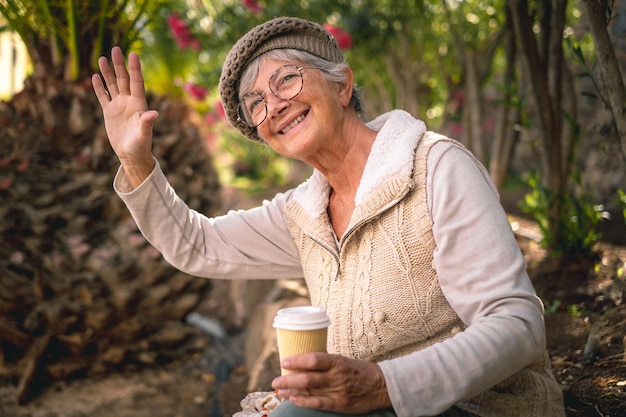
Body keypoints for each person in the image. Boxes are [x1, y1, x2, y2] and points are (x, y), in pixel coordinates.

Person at [92, 16, 566, 417]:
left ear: (342, 85)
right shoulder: (304, 214)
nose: (273, 105)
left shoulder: (437, 169)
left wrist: (384, 385)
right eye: (256, 103)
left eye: (287, 79)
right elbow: (197, 245)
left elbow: (517, 324)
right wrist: (136, 160)